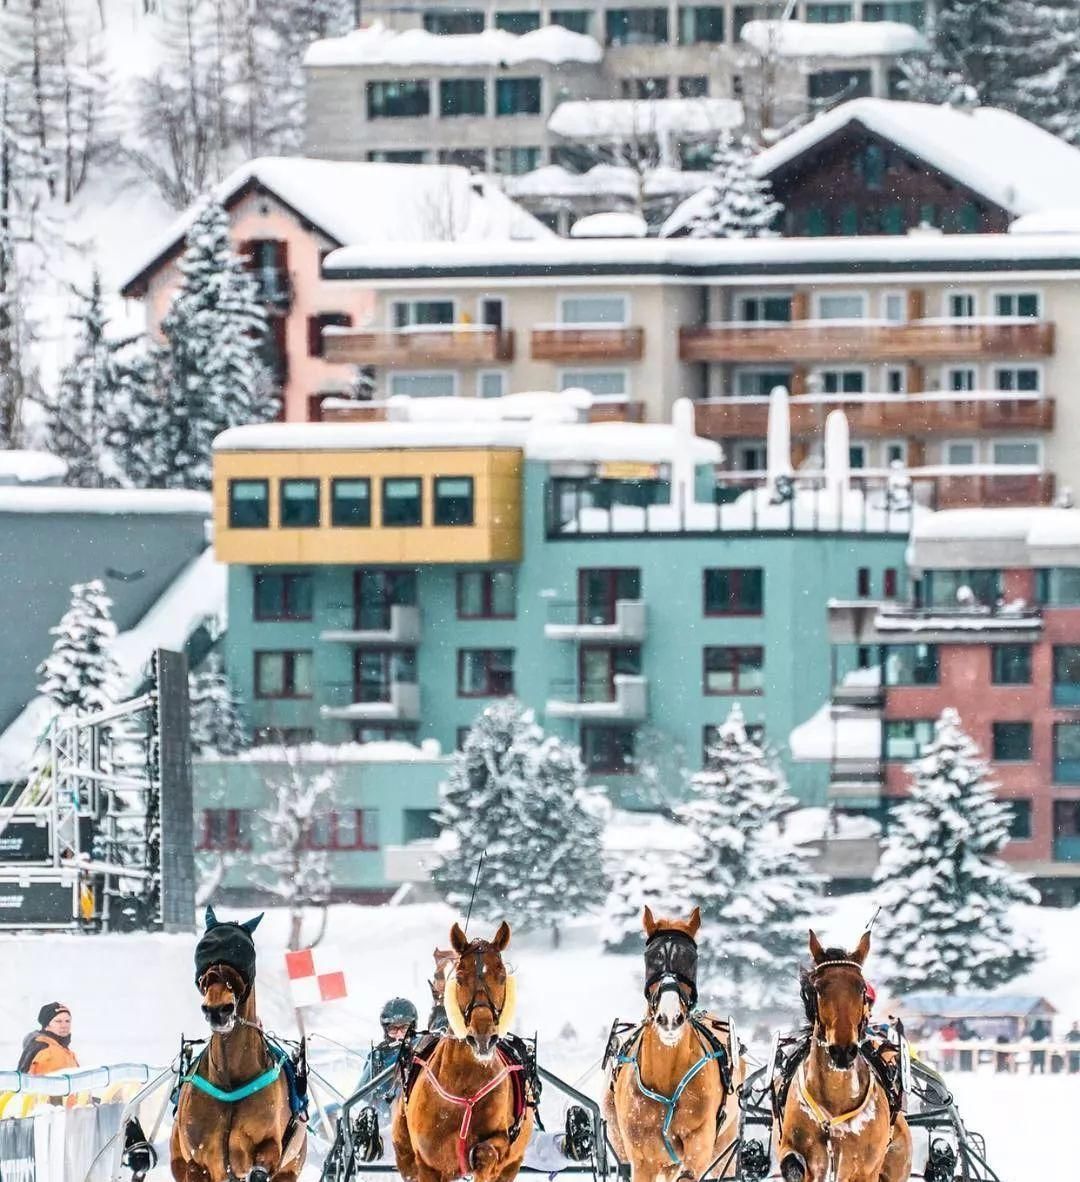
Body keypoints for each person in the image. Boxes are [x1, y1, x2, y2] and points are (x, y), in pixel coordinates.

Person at [17, 1003, 79, 1103]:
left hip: (68, 1110)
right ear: (46, 1025)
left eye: (67, 1021)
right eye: (58, 1021)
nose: (64, 1025)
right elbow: (28, 1085)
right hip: (51, 1112)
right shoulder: (44, 1049)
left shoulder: (64, 1050)